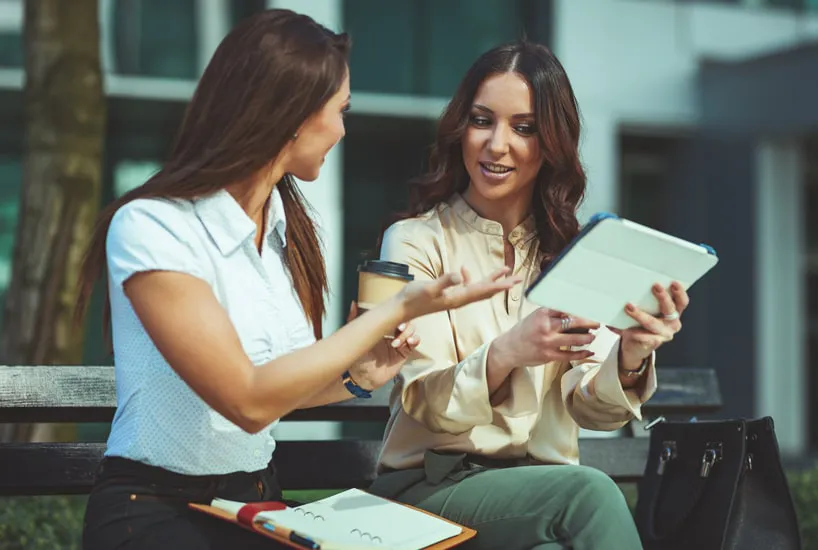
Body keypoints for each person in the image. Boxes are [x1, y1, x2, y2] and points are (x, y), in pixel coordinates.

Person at [76, 10, 519, 550]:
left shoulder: (283, 232)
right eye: (340, 110)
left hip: (256, 504)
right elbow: (246, 399)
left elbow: (281, 388)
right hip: (155, 513)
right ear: (291, 113)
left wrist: (359, 376)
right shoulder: (154, 226)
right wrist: (396, 309)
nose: (343, 128)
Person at [369, 41, 691, 550]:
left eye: (523, 128)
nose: (497, 144)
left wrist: (631, 355)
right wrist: (506, 353)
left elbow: (595, 411)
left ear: (551, 145)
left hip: (537, 500)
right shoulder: (416, 241)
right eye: (482, 120)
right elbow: (423, 401)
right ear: (461, 128)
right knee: (588, 494)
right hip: (430, 490)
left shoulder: (574, 252)